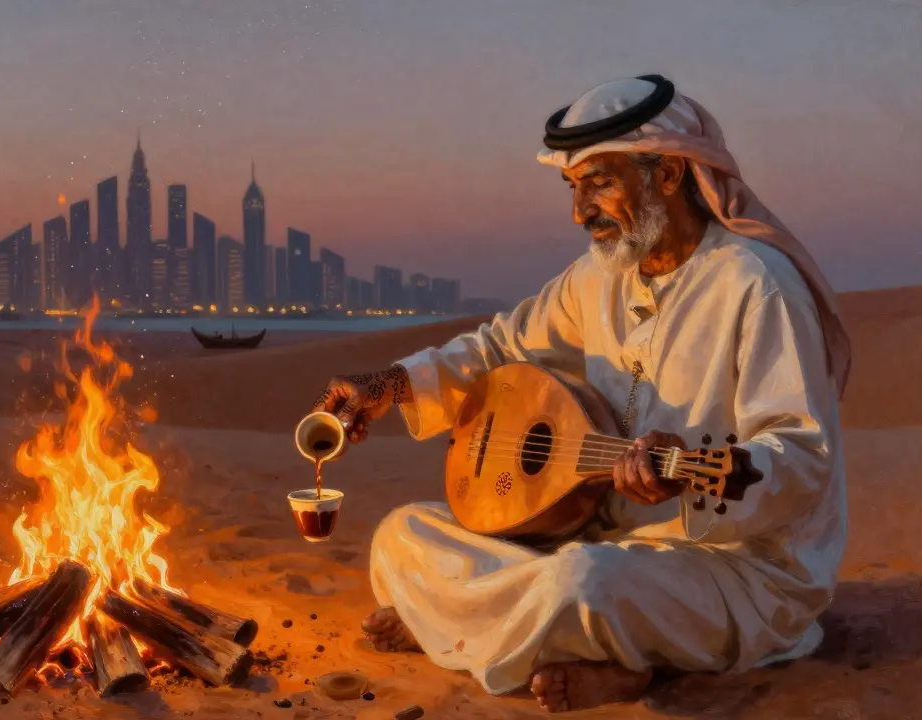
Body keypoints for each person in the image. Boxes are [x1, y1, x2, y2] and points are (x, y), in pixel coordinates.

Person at [311, 75, 849, 713]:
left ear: (668, 173)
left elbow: (801, 453)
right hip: (594, 536)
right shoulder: (598, 278)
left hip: (728, 565)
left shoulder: (755, 283)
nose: (579, 211)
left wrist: (686, 476)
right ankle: (535, 638)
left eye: (599, 183)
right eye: (573, 187)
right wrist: (390, 384)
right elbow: (502, 349)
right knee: (402, 537)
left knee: (585, 584)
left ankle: (479, 631)